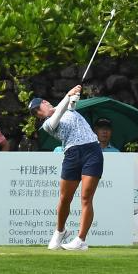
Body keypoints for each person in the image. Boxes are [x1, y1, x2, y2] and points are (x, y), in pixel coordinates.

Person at [29, 85, 103, 251]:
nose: (38, 114)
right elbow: (59, 112)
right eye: (35, 114)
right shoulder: (47, 125)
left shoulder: (68, 106)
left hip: (92, 150)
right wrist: (68, 95)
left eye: (38, 109)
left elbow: (69, 106)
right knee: (64, 198)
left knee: (86, 198)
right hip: (72, 154)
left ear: (45, 102)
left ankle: (81, 240)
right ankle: (60, 231)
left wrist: (73, 96)